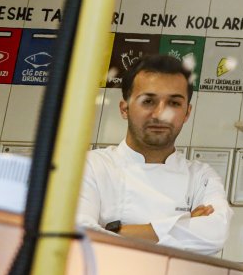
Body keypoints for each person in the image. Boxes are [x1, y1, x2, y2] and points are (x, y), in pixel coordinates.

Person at [77, 54, 231, 256]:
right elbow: (81, 235)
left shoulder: (201, 176)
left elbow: (215, 234)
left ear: (187, 113)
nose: (160, 114)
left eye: (174, 103)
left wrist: (114, 231)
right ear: (125, 109)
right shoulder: (91, 166)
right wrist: (185, 225)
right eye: (148, 101)